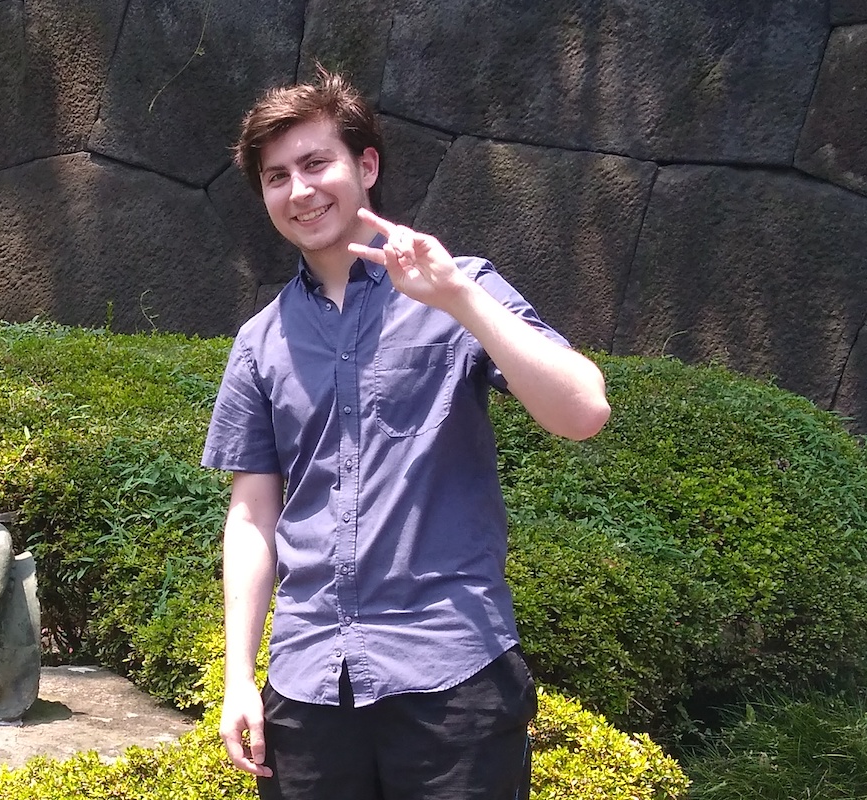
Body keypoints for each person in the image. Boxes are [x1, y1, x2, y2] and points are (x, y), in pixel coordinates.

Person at [201, 66, 611, 800]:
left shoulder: (463, 286)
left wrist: (459, 299)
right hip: (306, 684)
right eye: (276, 176)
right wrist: (239, 675)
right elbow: (252, 515)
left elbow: (582, 412)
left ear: (366, 166)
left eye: (316, 163)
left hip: (451, 675)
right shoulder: (260, 342)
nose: (300, 190)